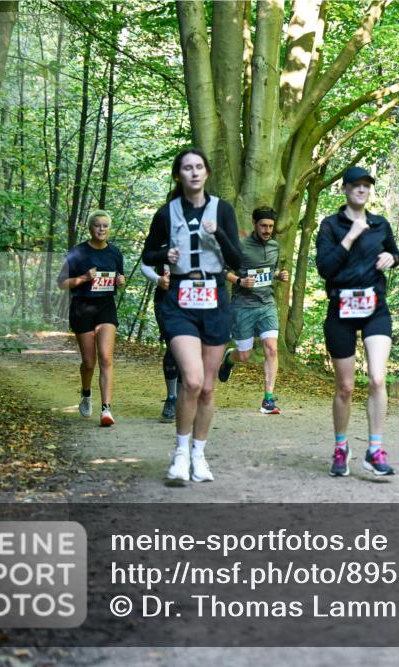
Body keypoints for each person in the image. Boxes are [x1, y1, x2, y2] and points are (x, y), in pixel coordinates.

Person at [141, 148, 242, 483]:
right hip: (180, 301)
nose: (194, 173)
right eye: (187, 168)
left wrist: (219, 234)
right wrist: (164, 254)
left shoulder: (222, 210)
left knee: (209, 388)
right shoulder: (166, 213)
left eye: (199, 167)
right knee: (193, 380)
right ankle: (180, 453)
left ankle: (199, 454)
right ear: (178, 175)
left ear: (207, 173)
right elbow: (148, 253)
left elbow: (238, 261)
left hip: (215, 299)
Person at [315, 166, 399, 477]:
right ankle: (341, 447)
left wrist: (392, 258)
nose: (361, 190)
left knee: (378, 378)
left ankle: (375, 450)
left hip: (375, 308)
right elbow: (325, 268)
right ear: (345, 189)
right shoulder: (329, 226)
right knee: (346, 387)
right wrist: (350, 237)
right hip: (341, 311)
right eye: (356, 186)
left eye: (366, 186)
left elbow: (394, 252)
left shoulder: (380, 224)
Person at [217, 207, 289, 415]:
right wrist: (239, 281)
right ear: (254, 224)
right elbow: (221, 270)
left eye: (271, 227)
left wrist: (278, 275)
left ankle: (268, 399)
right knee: (245, 354)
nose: (267, 230)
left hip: (266, 304)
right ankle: (231, 357)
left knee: (271, 348)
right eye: (263, 226)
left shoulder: (275, 246)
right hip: (243, 305)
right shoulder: (240, 245)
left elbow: (267, 271)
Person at [57, 210, 125, 427]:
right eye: (97, 225)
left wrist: (120, 282)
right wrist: (84, 278)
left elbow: (117, 279)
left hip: (106, 307)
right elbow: (61, 283)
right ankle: (86, 394)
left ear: (109, 228)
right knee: (89, 362)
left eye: (105, 225)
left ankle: (106, 409)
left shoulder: (115, 253)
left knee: (106, 357)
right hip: (82, 307)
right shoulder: (77, 253)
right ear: (90, 227)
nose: (101, 229)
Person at [140, 258, 180, 421]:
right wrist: (158, 279)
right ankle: (172, 398)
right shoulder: (161, 238)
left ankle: (182, 399)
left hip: (193, 300)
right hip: (165, 301)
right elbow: (145, 263)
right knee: (175, 346)